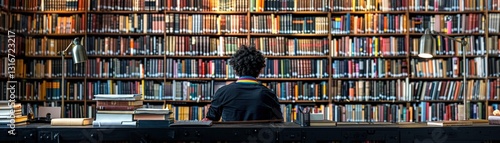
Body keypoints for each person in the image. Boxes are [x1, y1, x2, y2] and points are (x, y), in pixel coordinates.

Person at [203, 45, 284, 122]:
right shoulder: (269, 95)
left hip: (230, 136)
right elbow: (278, 122)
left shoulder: (222, 92)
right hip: (258, 136)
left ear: (235, 69)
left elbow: (210, 121)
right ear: (259, 70)